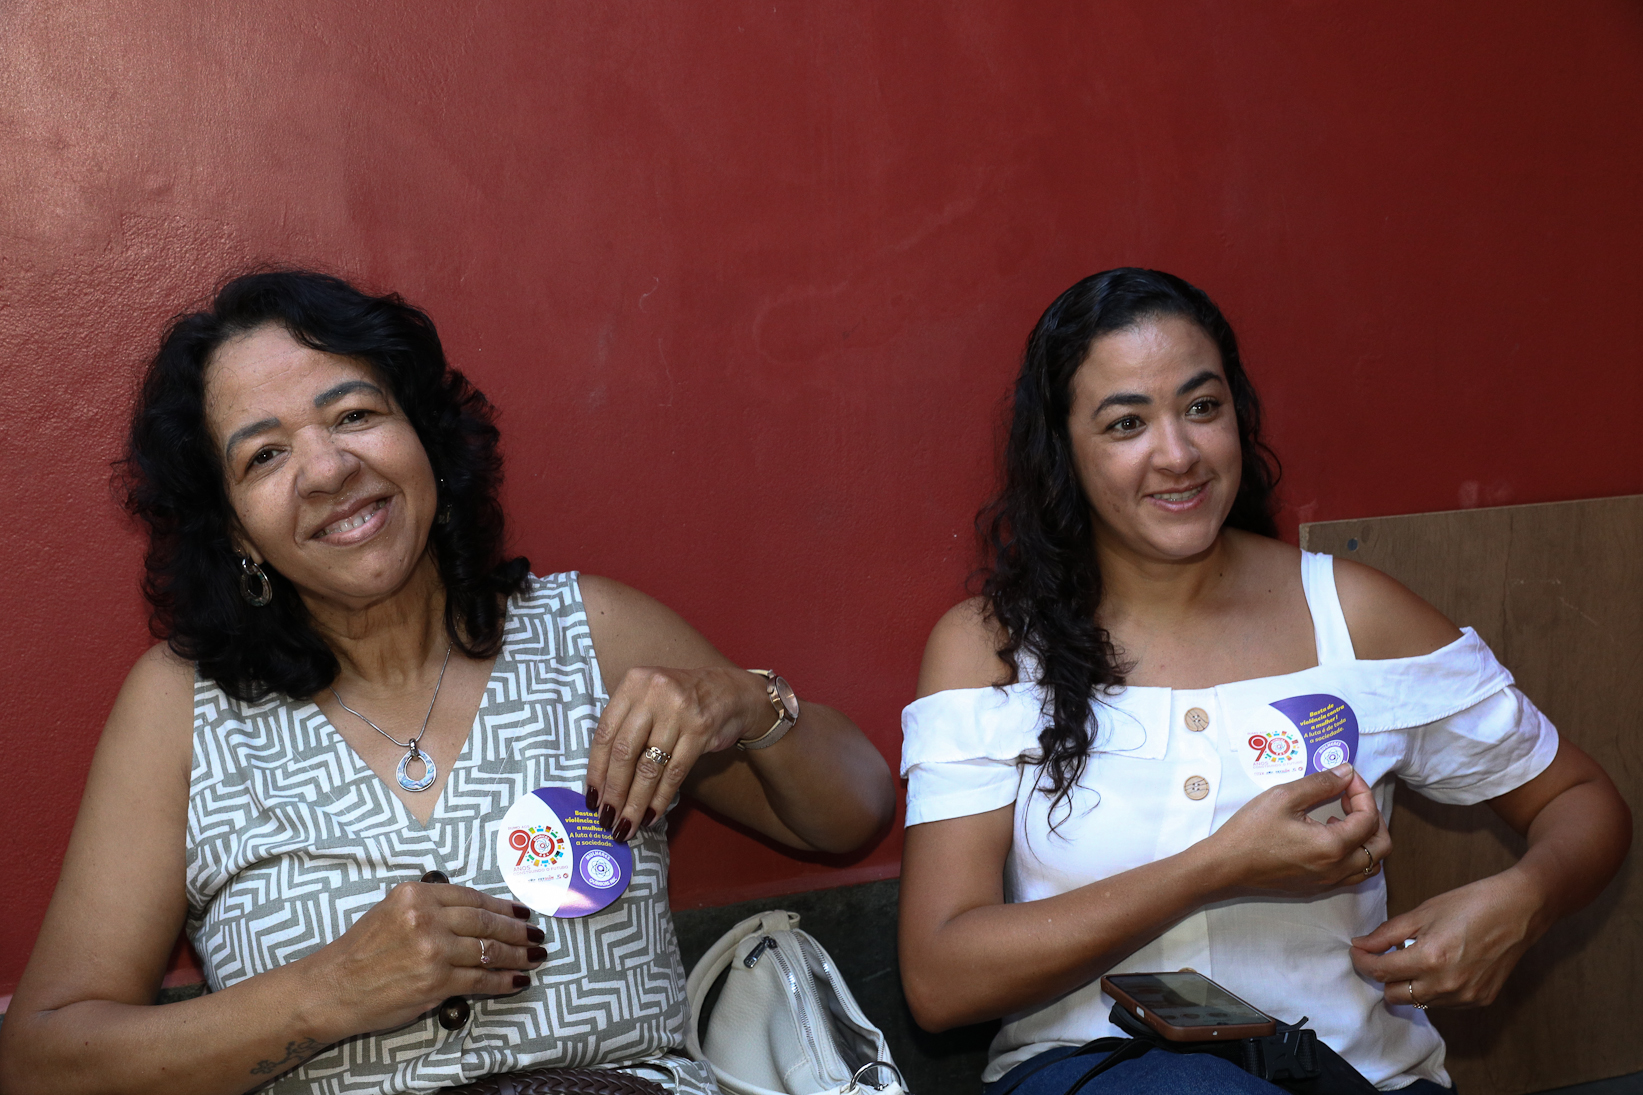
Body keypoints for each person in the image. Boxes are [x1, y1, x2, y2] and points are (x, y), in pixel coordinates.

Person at [0, 270, 895, 1095]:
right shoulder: (182, 709)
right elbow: (41, 1058)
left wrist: (752, 703)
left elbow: (849, 813)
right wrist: (327, 993)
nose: (325, 468)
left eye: (352, 414)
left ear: (423, 434)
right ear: (234, 529)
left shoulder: (589, 631)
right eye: (263, 455)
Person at [896, 268, 1631, 1094]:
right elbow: (939, 978)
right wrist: (1218, 864)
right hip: (1090, 1075)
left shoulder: (1353, 618)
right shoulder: (990, 650)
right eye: (1126, 422)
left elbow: (1583, 801)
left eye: (1201, 408)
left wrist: (1520, 900)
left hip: (1354, 1075)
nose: (1176, 454)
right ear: (1061, 449)